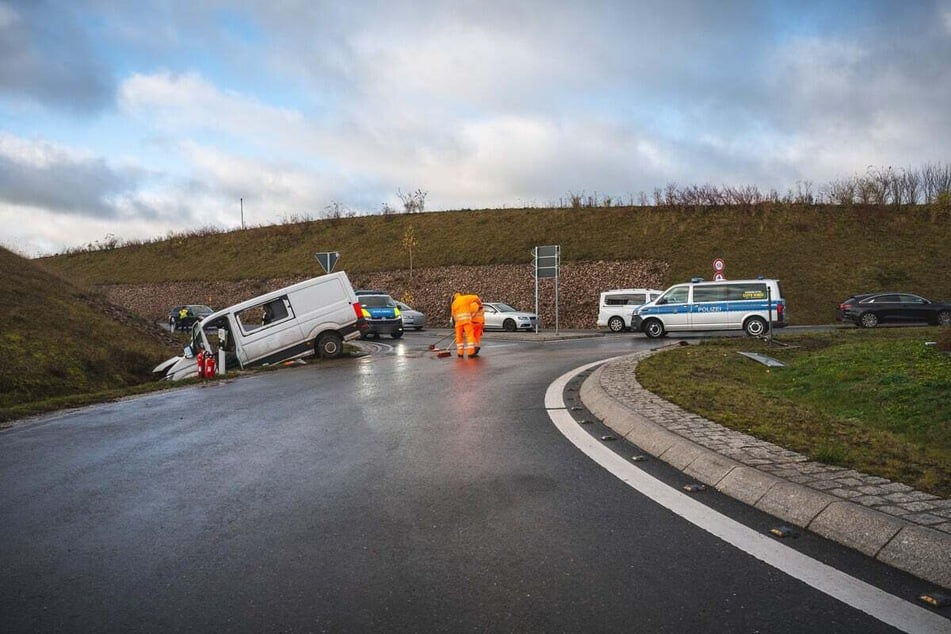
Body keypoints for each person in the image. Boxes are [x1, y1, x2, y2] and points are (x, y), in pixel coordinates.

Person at [451, 292, 482, 358]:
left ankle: (460, 353)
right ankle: (470, 353)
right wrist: (479, 304)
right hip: (466, 321)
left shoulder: (454, 303)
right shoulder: (465, 298)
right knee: (469, 336)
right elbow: (476, 297)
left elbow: (453, 315)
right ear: (460, 295)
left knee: (459, 338)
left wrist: (456, 325)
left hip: (458, 323)